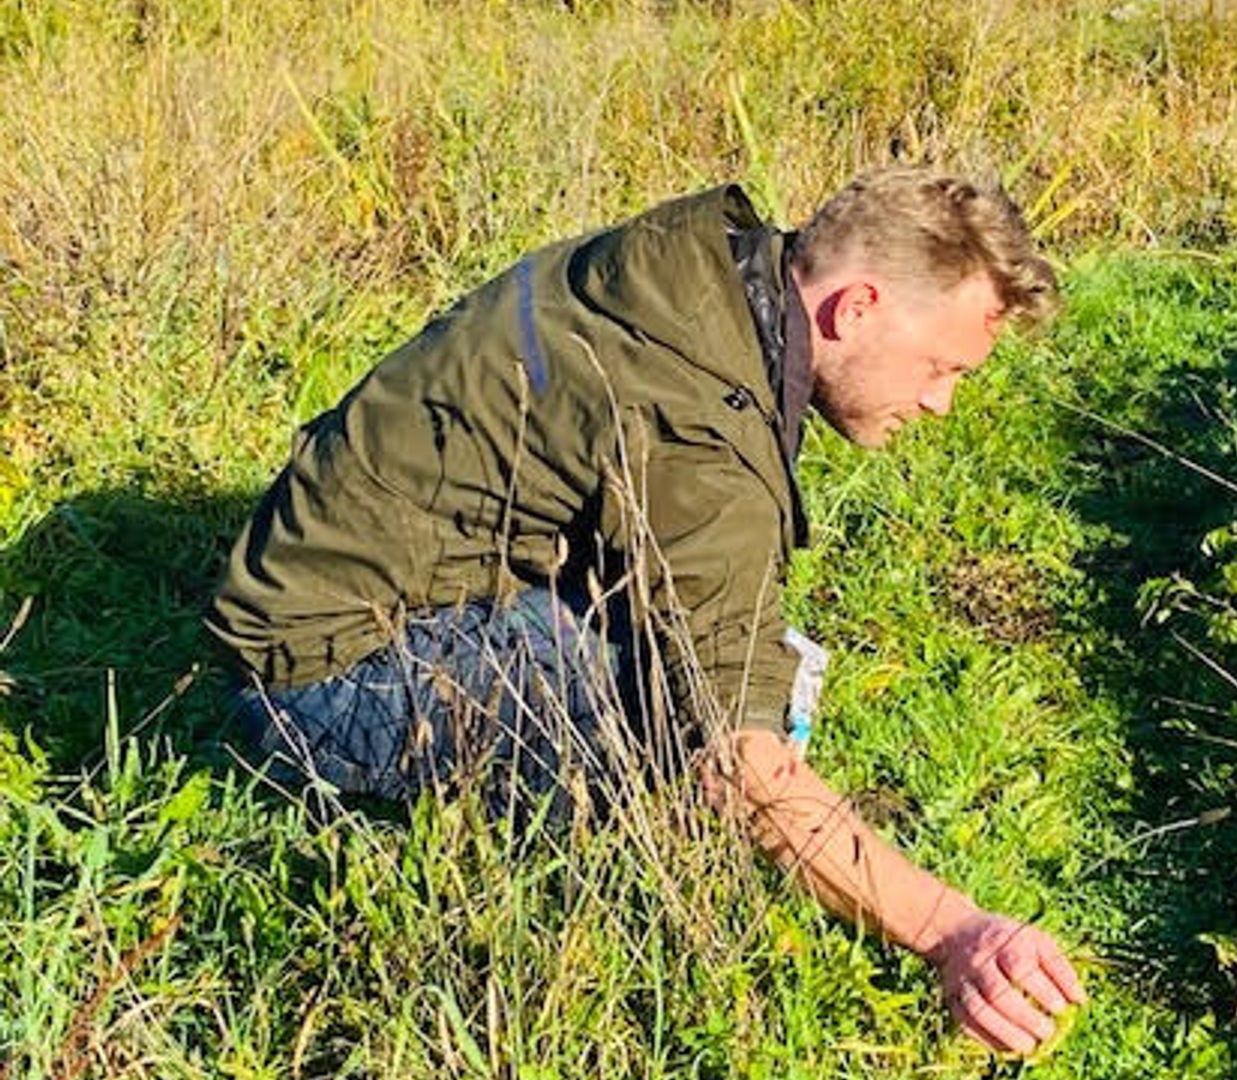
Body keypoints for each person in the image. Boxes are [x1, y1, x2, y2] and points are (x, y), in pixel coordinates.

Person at [205, 167, 1087, 1055]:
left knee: (745, 655)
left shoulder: (693, 274)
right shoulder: (699, 426)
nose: (940, 402)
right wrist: (956, 932)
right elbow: (739, 765)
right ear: (855, 308)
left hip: (322, 575)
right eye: (941, 367)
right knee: (672, 717)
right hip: (323, 680)